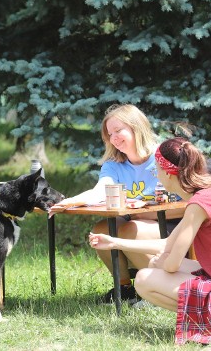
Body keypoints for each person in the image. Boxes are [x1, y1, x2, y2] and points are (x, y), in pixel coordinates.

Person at [89, 137, 211, 345]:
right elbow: (167, 244)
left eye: (157, 169)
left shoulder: (198, 204)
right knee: (153, 264)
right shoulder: (209, 193)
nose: (156, 174)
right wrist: (115, 243)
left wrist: (164, 262)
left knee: (143, 279)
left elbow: (172, 262)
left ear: (168, 174)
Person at [49, 104, 185, 304]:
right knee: (101, 229)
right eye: (109, 134)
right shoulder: (114, 164)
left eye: (118, 130)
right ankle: (125, 288)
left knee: (130, 229)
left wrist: (144, 212)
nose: (113, 138)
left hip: (175, 221)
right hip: (139, 219)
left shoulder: (163, 155)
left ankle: (158, 288)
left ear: (136, 128)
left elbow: (190, 199)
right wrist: (70, 201)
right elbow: (100, 190)